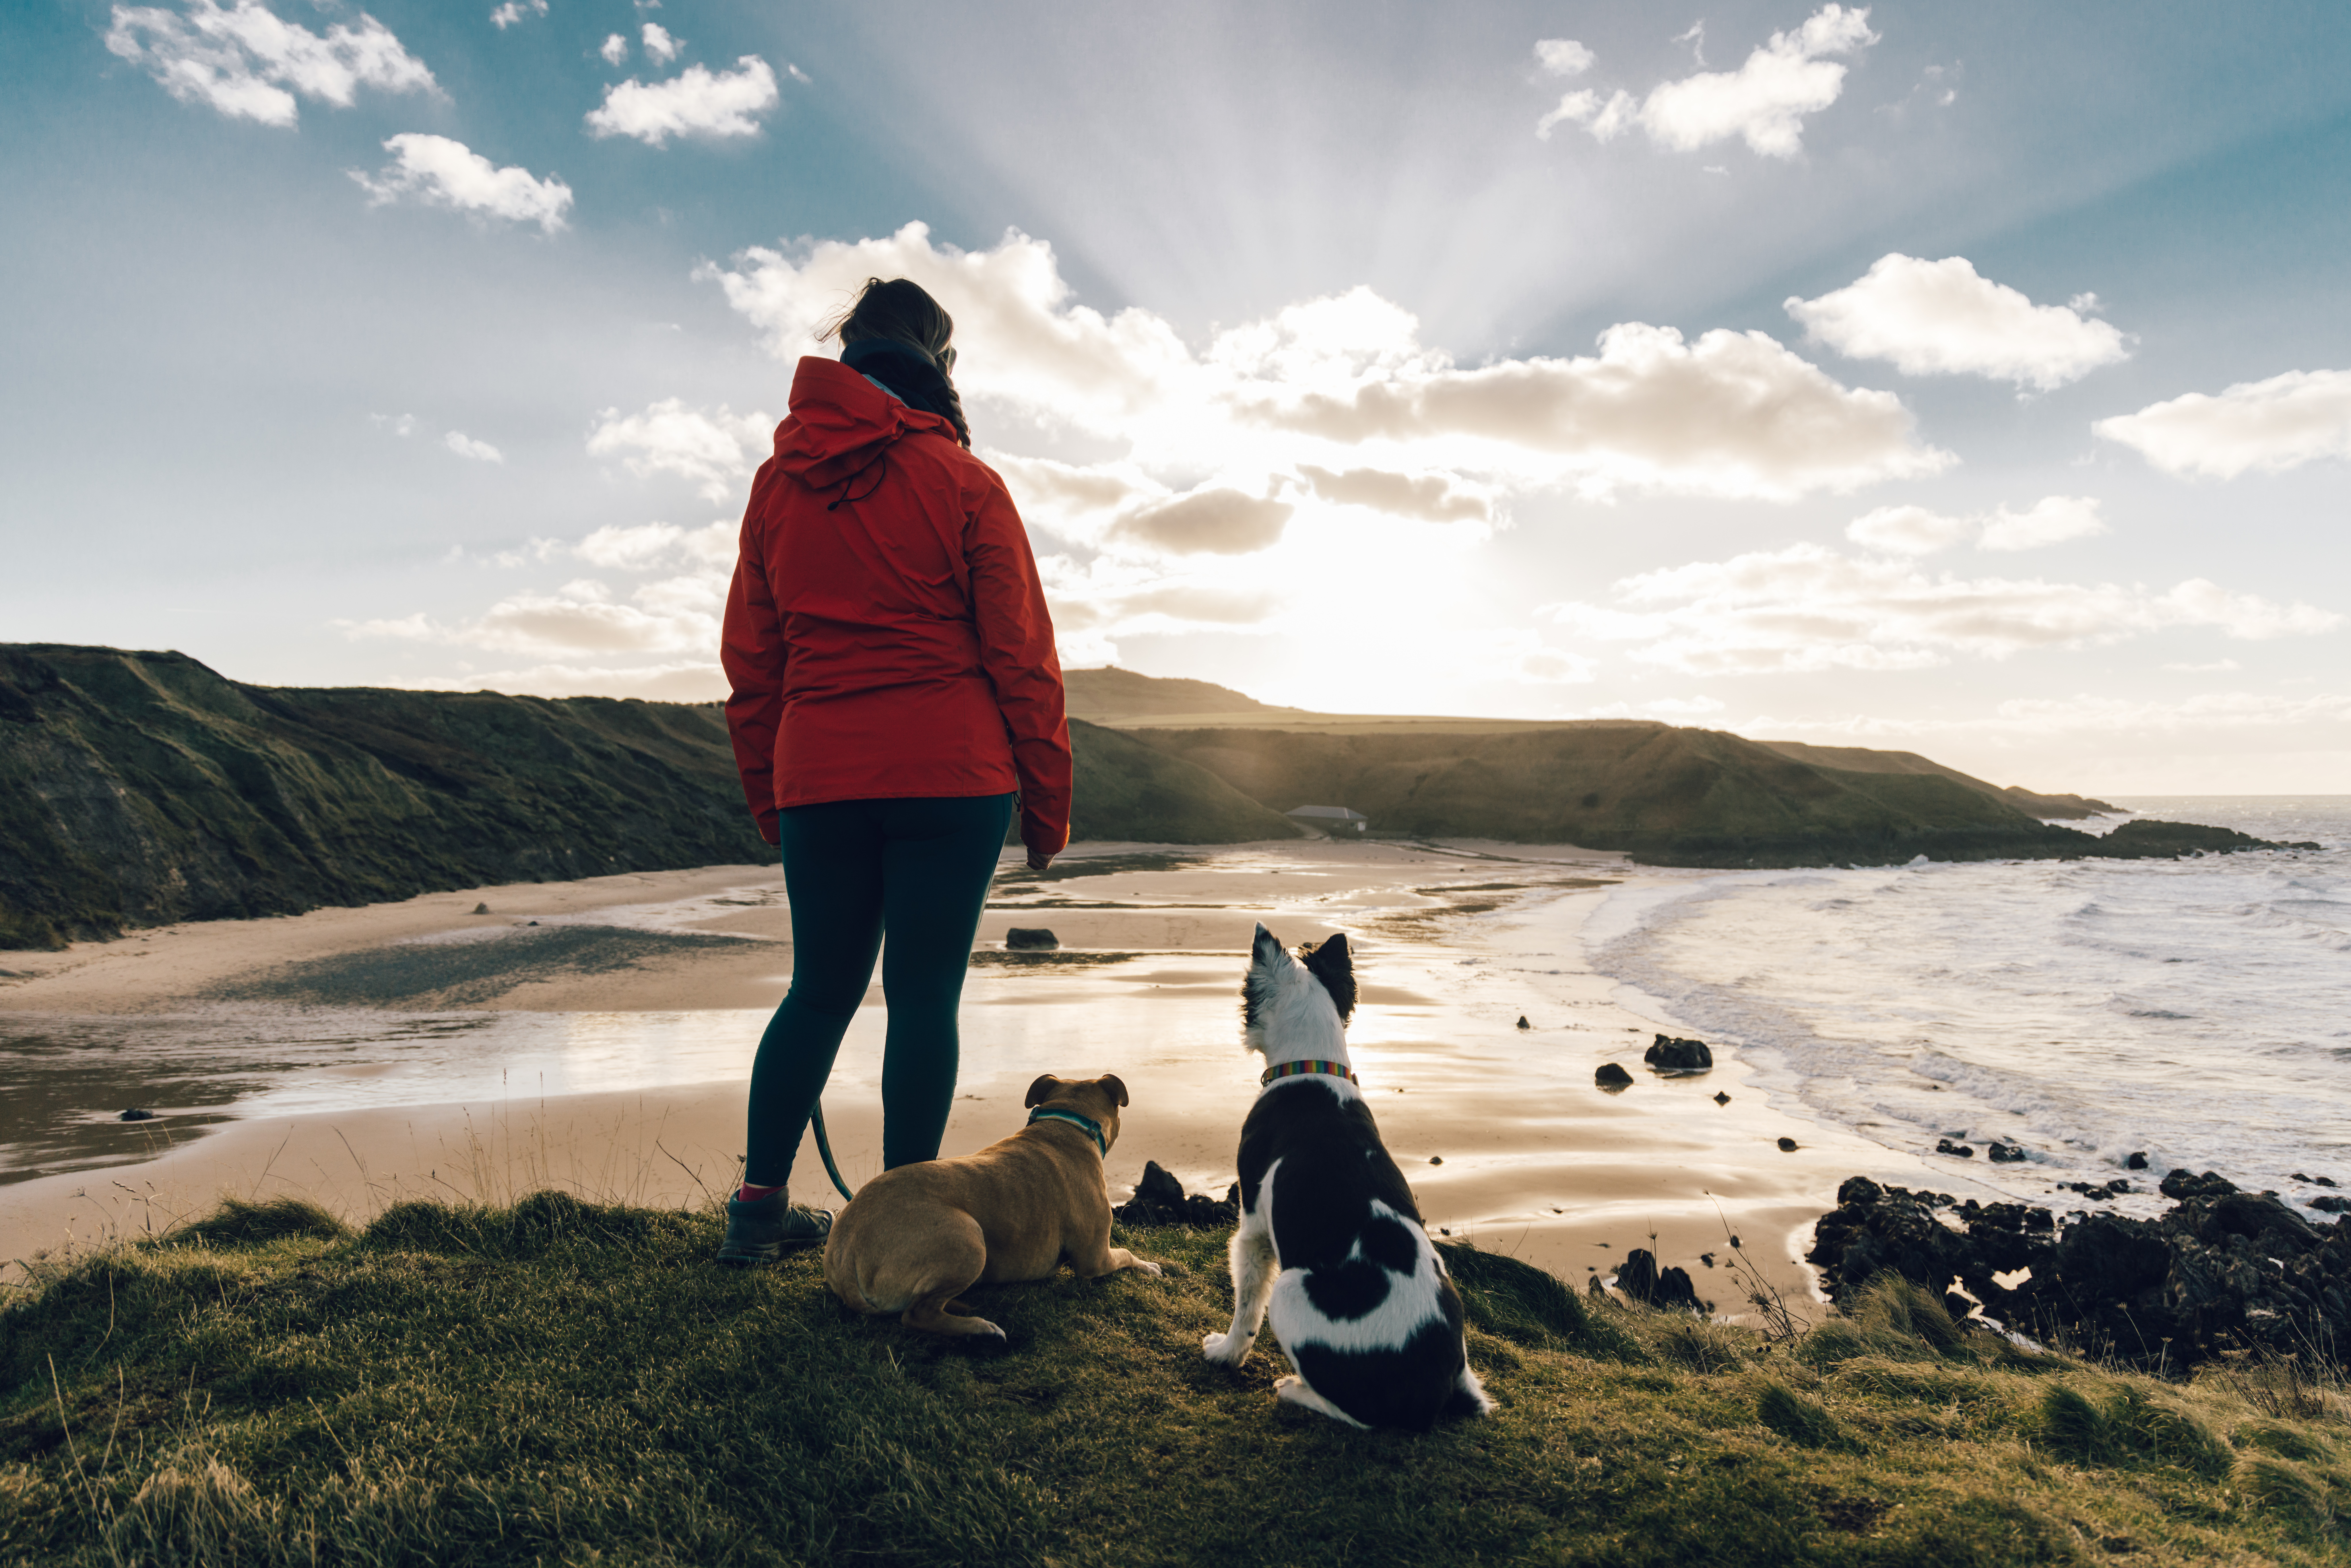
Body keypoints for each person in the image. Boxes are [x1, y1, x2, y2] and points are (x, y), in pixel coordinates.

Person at [714, 276, 1072, 1265]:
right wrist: (1048, 806)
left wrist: (771, 799)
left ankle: (755, 1213)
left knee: (819, 990)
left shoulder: (776, 486)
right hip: (953, 777)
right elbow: (1023, 659)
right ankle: (905, 1223)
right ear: (938, 367)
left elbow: (753, 665)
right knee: (923, 1000)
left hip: (820, 774)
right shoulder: (966, 483)